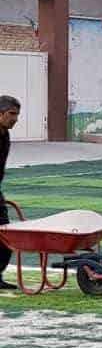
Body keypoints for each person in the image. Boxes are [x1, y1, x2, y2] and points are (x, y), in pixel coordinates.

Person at [0, 96, 20, 291]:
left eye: (17, 115)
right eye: (11, 114)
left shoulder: (5, 134)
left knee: (6, 236)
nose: (15, 119)